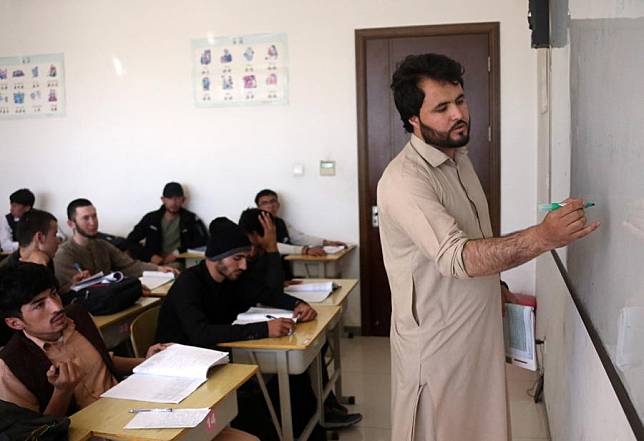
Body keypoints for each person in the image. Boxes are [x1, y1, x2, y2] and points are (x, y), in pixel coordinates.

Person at [378, 53, 600, 441]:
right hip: (437, 349)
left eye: (460, 101)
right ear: (413, 119)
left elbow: (474, 236)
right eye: (441, 108)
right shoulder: (403, 180)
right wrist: (543, 237)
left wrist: (496, 288)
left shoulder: (459, 159)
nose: (457, 115)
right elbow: (457, 256)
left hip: (479, 333)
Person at [0, 263, 256, 441]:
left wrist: (144, 362)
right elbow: (36, 434)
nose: (56, 307)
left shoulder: (78, 317)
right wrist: (62, 391)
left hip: (135, 413)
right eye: (39, 305)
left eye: (54, 294)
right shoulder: (12, 365)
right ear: (15, 323)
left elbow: (105, 361)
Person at [156, 217, 331, 440]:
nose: (244, 265)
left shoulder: (233, 277)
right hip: (185, 368)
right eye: (237, 258)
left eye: (245, 258)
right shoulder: (188, 284)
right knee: (261, 404)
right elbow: (201, 334)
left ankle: (309, 434)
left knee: (296, 379)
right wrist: (264, 329)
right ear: (216, 257)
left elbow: (267, 293)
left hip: (219, 358)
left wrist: (297, 304)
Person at [237, 208, 363, 427]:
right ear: (256, 235)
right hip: (248, 327)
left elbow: (274, 287)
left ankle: (325, 404)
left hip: (264, 315)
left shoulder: (258, 252)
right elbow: (271, 289)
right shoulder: (244, 256)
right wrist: (271, 248)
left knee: (318, 344)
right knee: (303, 349)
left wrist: (297, 302)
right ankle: (318, 412)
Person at [53, 198, 177, 293]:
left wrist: (158, 269)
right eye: (86, 218)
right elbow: (76, 291)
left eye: (94, 216)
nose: (93, 222)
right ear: (71, 224)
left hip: (110, 299)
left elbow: (129, 265)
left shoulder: (102, 244)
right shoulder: (64, 254)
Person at [126, 182, 208, 265]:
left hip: (179, 263)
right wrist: (150, 256)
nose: (173, 202)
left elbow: (204, 242)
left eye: (177, 198)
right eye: (169, 198)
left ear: (183, 200)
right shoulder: (151, 218)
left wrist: (178, 253)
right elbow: (130, 241)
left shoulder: (191, 219)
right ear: (163, 199)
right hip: (152, 264)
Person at [254, 189, 346, 256]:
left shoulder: (280, 222)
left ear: (278, 204)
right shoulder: (254, 223)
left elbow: (298, 238)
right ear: (258, 207)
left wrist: (327, 242)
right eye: (264, 203)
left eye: (273, 201)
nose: (270, 206)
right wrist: (304, 250)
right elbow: (270, 246)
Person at [0, 189, 66, 253]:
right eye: (11, 205)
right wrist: (30, 245)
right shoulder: (7, 219)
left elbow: (61, 236)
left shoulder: (42, 217)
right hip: (17, 254)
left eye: (14, 206)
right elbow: (5, 245)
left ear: (27, 208)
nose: (11, 209)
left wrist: (50, 242)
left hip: (42, 253)